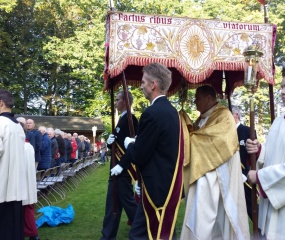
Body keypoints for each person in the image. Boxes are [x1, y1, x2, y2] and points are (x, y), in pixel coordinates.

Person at [180, 85, 250, 239]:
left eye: (197, 98)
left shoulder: (224, 115)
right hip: (203, 174)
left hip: (219, 175)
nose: (194, 101)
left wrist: (190, 138)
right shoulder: (202, 117)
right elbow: (199, 136)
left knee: (217, 217)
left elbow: (220, 142)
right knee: (199, 214)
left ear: (209, 98)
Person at [124, 63, 183, 240]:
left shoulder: (152, 113)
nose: (141, 85)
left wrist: (130, 144)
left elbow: (140, 154)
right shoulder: (173, 112)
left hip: (155, 188)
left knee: (142, 235)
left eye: (143, 82)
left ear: (153, 84)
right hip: (168, 184)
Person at [246, 67, 285, 239]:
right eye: (282, 87)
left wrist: (260, 177)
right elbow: (273, 156)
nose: (282, 92)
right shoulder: (279, 120)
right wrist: (258, 150)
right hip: (272, 203)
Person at [100, 90, 139, 240]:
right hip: (116, 170)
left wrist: (122, 166)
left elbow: (132, 146)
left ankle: (144, 230)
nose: (115, 102)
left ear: (126, 102)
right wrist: (111, 144)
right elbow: (119, 145)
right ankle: (108, 236)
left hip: (123, 171)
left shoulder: (131, 120)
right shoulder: (121, 119)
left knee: (129, 205)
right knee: (113, 206)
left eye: (117, 100)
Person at [0, 89, 28, 239]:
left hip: (3, 184)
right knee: (15, 229)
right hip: (17, 185)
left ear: (1, 103)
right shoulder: (18, 126)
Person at [232, 105, 255, 221]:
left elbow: (253, 156)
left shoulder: (247, 131)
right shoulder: (225, 133)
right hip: (230, 177)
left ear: (236, 115)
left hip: (245, 178)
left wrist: (246, 173)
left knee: (252, 210)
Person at [18, 121, 40, 240]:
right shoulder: (29, 146)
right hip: (27, 182)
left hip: (23, 183)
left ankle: (32, 234)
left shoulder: (22, 147)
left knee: (26, 211)